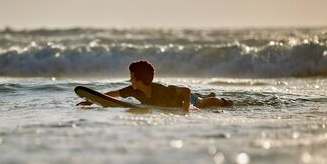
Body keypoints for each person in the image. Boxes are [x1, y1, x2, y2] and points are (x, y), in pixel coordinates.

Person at [77, 60, 233, 112]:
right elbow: (114, 94)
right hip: (174, 100)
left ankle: (222, 100)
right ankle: (208, 95)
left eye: (131, 77)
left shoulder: (161, 90)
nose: (130, 80)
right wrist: (92, 100)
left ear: (138, 80)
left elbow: (186, 91)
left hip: (185, 99)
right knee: (202, 98)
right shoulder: (133, 90)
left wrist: (186, 113)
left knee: (203, 102)